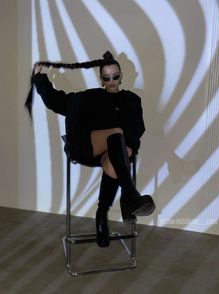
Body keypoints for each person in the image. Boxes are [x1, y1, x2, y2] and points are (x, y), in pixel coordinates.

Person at [25, 51, 155, 247]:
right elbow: (57, 102)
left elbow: (137, 128)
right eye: (107, 78)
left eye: (115, 76)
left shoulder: (132, 99)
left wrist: (126, 144)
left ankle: (101, 215)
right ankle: (129, 196)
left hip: (115, 155)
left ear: (122, 76)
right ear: (101, 79)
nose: (112, 81)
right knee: (116, 133)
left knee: (118, 156)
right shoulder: (91, 97)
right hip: (88, 147)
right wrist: (40, 77)